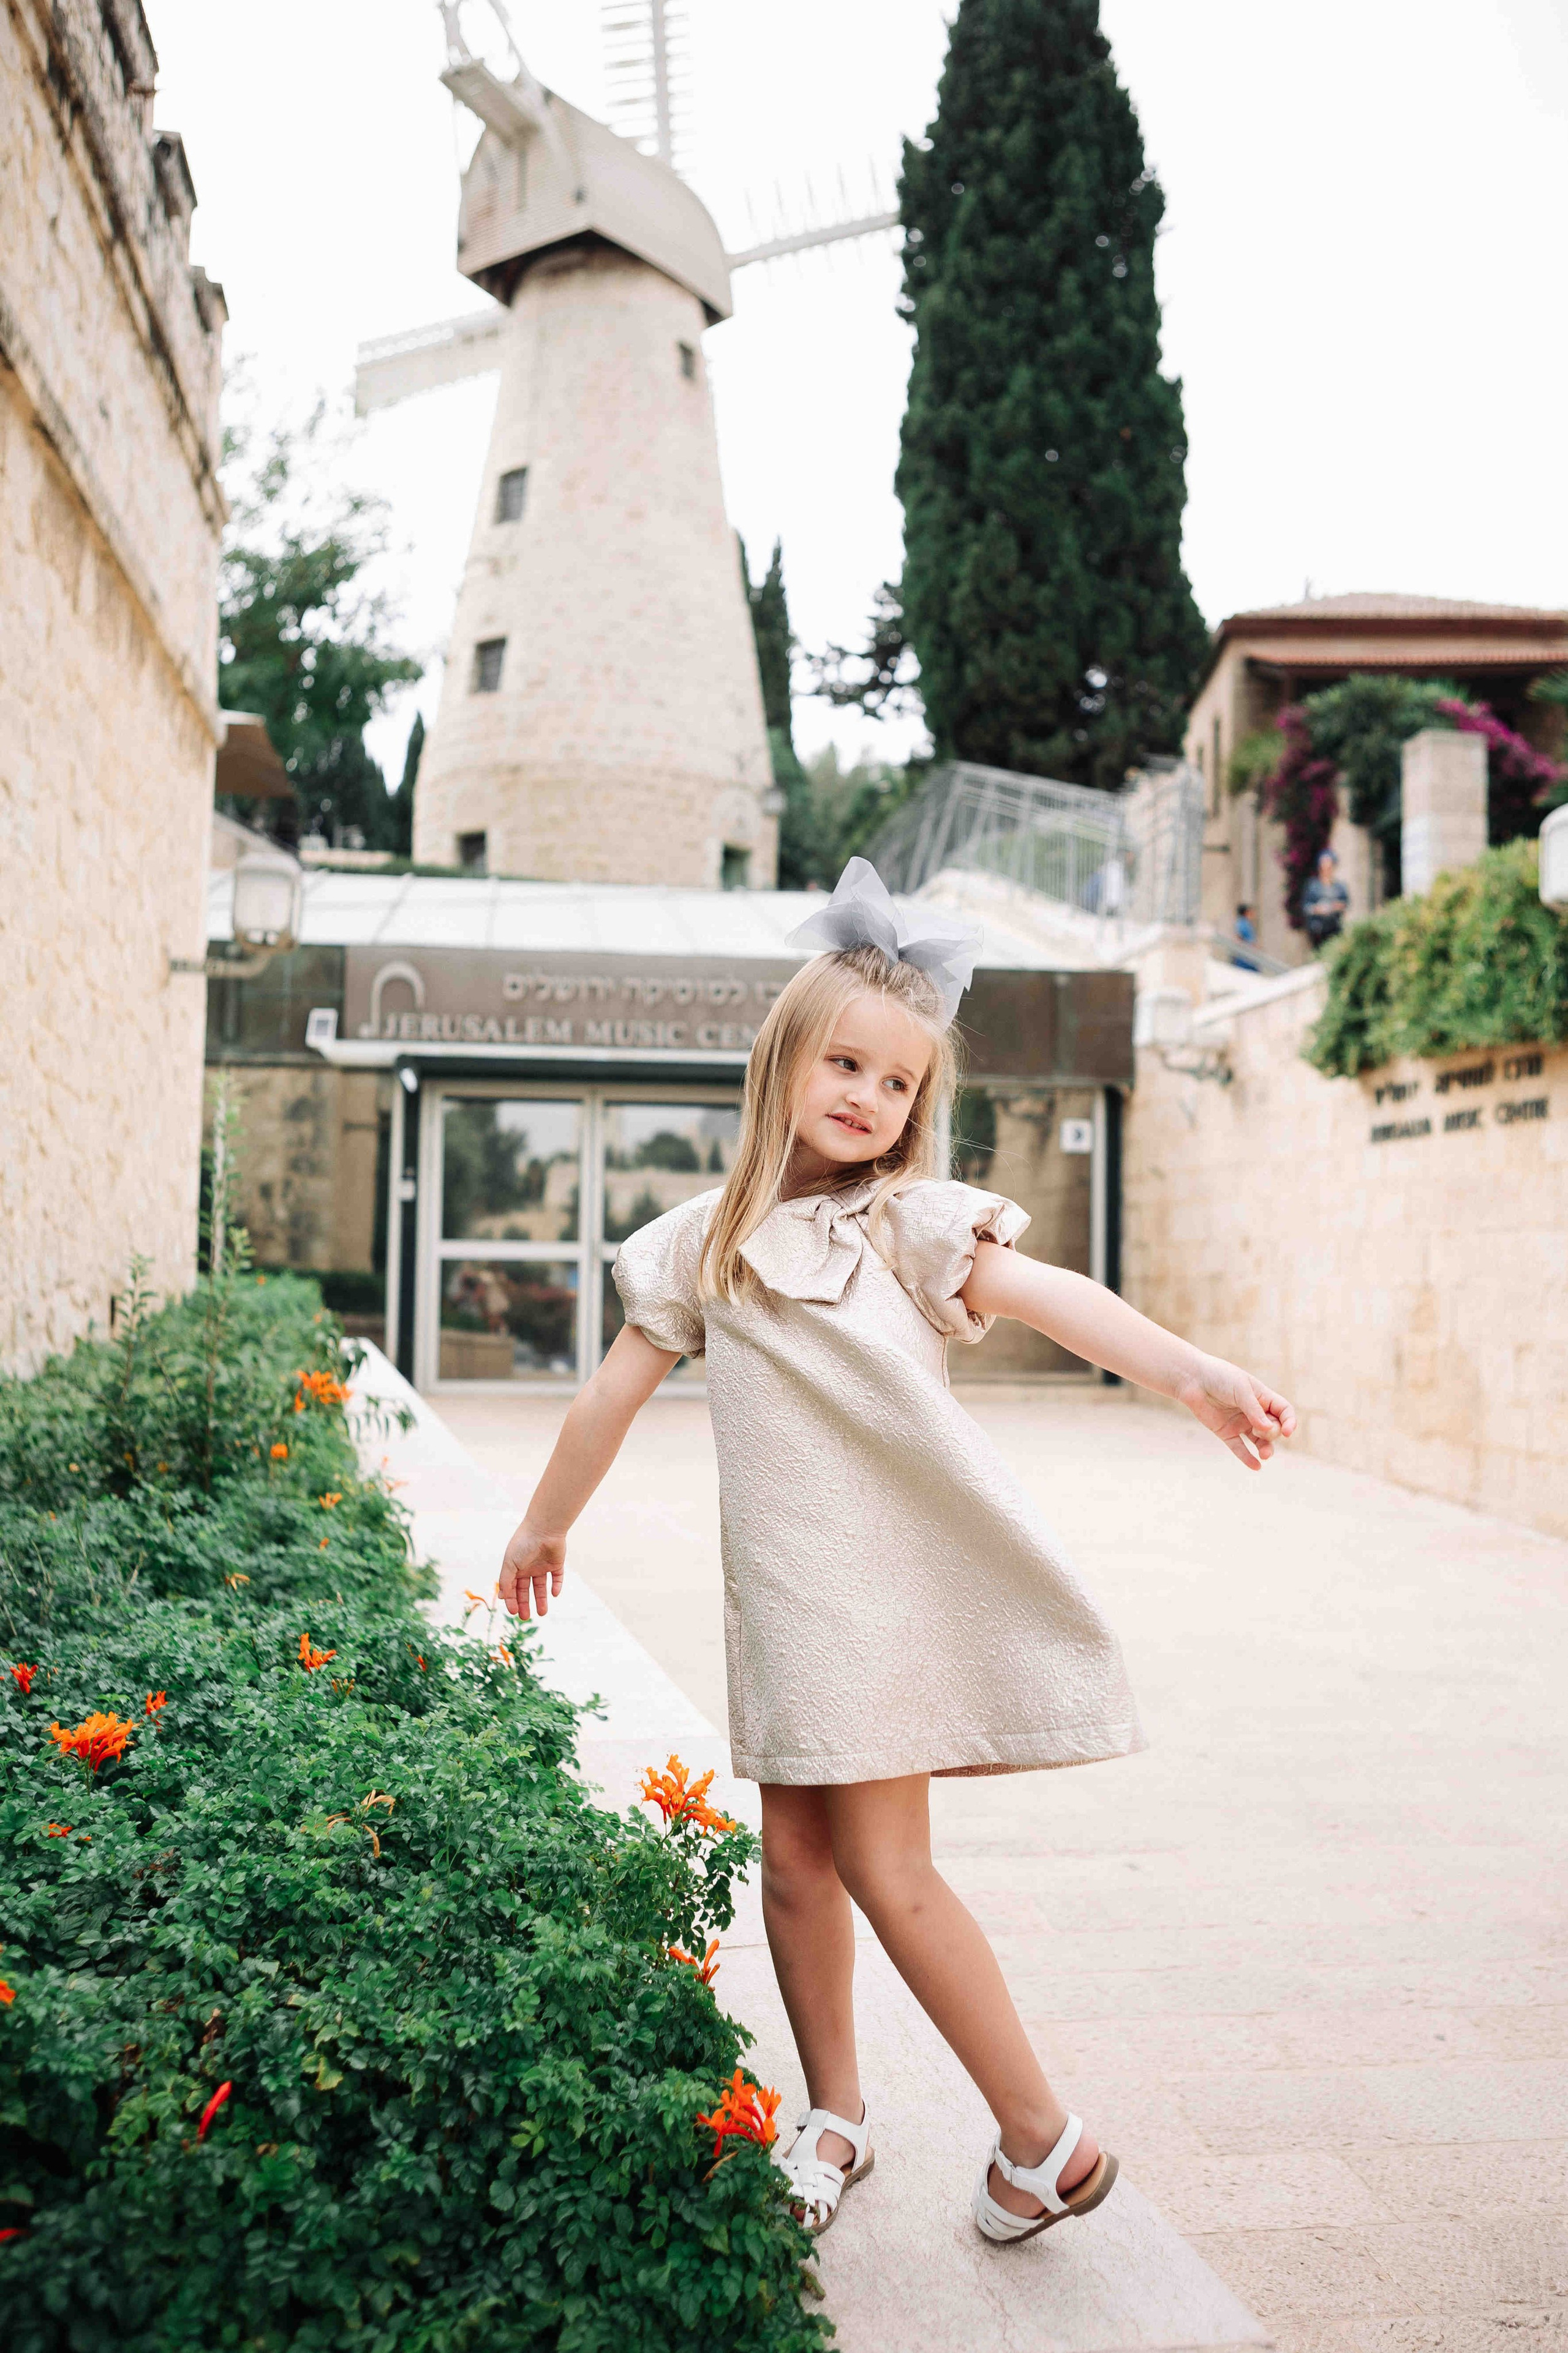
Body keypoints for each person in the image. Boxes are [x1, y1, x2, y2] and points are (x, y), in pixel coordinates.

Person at [497, 858, 1295, 2254]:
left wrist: (1191, 1373)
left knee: (885, 1864)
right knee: (795, 1862)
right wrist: (545, 1519)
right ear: (782, 1061)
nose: (868, 1094)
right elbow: (607, 1395)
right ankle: (837, 2112)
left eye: (897, 1081)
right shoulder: (699, 1245)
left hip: (880, 1606)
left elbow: (1053, 1294)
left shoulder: (909, 1223)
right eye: (844, 1062)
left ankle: (1039, 2135)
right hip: (787, 1608)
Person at [1301, 848, 1349, 949]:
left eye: (1330, 867)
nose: (1327, 870)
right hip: (1317, 930)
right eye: (1324, 867)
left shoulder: (1340, 887)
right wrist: (1317, 909)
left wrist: (1337, 906)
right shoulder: (1313, 886)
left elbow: (1346, 904)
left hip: (1335, 928)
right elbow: (1306, 907)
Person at [1234, 901, 1259, 972]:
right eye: (1250, 911)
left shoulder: (1246, 923)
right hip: (1245, 955)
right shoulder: (1242, 923)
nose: (1252, 913)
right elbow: (1239, 937)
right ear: (1246, 912)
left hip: (1248, 953)